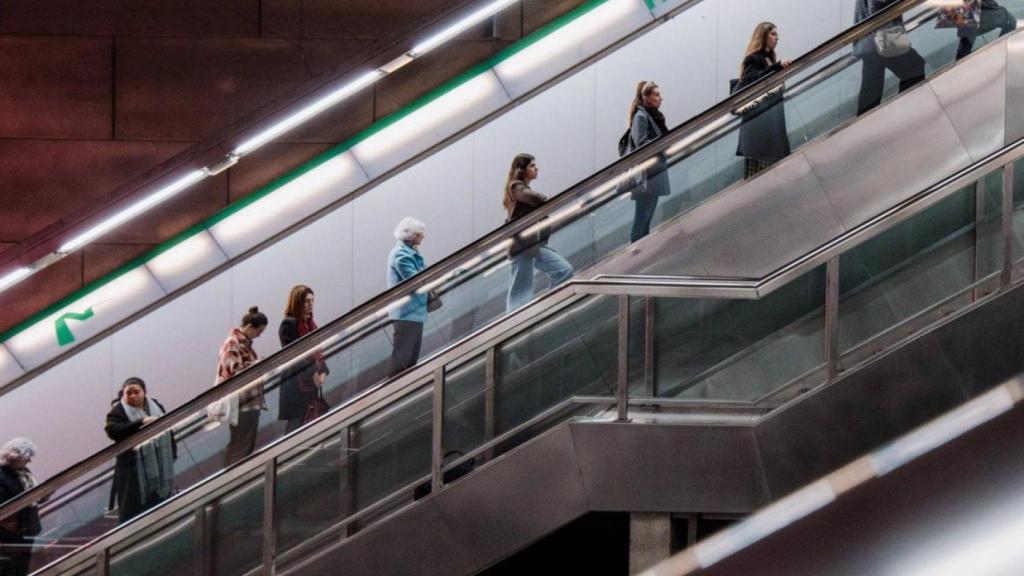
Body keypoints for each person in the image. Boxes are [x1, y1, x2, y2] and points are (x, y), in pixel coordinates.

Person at [502, 155, 574, 311]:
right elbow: (532, 197)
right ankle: (517, 321)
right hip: (522, 246)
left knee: (563, 270)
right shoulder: (515, 187)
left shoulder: (520, 188)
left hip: (534, 245)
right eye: (532, 166)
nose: (537, 168)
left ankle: (548, 307)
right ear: (521, 170)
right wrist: (546, 200)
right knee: (520, 291)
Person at [105, 377, 176, 523]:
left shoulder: (155, 406)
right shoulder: (117, 411)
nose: (133, 396)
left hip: (160, 465)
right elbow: (113, 430)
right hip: (132, 470)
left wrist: (173, 453)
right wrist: (141, 422)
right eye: (128, 393)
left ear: (144, 392)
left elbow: (168, 430)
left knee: (159, 502)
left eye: (136, 392)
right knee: (132, 510)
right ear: (123, 394)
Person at [210, 306, 269, 467]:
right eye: (258, 331)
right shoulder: (232, 343)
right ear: (249, 327)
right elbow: (233, 370)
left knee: (244, 443)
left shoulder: (243, 344)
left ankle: (238, 474)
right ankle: (232, 476)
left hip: (248, 403)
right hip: (242, 403)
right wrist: (257, 365)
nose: (259, 335)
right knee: (240, 443)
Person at [735, 23, 792, 178]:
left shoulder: (769, 59)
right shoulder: (753, 58)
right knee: (759, 178)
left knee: (770, 176)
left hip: (768, 125)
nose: (777, 38)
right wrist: (776, 67)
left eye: (776, 35)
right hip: (758, 127)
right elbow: (751, 81)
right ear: (763, 36)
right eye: (773, 34)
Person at [854, 0, 926, 116]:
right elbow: (878, 5)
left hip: (869, 43)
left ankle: (864, 121)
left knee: (871, 90)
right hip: (879, 41)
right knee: (915, 66)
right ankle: (908, 113)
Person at [278, 286, 329, 433]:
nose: (310, 304)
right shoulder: (289, 324)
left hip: (311, 385)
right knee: (296, 425)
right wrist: (313, 373)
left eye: (312, 300)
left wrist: (323, 371)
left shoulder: (311, 324)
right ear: (297, 302)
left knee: (306, 421)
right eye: (306, 301)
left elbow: (319, 353)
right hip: (297, 384)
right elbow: (293, 355)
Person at [625, 81, 671, 241]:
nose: (661, 98)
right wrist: (662, 145)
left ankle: (640, 249)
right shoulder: (641, 117)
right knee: (641, 222)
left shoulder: (652, 116)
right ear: (646, 97)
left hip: (652, 177)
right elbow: (641, 144)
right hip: (646, 179)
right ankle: (635, 252)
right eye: (656, 95)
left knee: (645, 221)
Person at [387, 218, 431, 376]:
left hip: (414, 313)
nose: (423, 237)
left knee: (410, 359)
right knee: (403, 360)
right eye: (419, 234)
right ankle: (394, 388)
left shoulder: (410, 252)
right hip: (406, 314)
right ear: (410, 235)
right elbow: (416, 281)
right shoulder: (401, 255)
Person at [0, 438, 40, 576]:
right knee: (11, 569)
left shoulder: (24, 472)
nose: (29, 460)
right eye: (27, 456)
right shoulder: (2, 476)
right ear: (14, 456)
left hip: (27, 530)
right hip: (12, 534)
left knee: (21, 568)